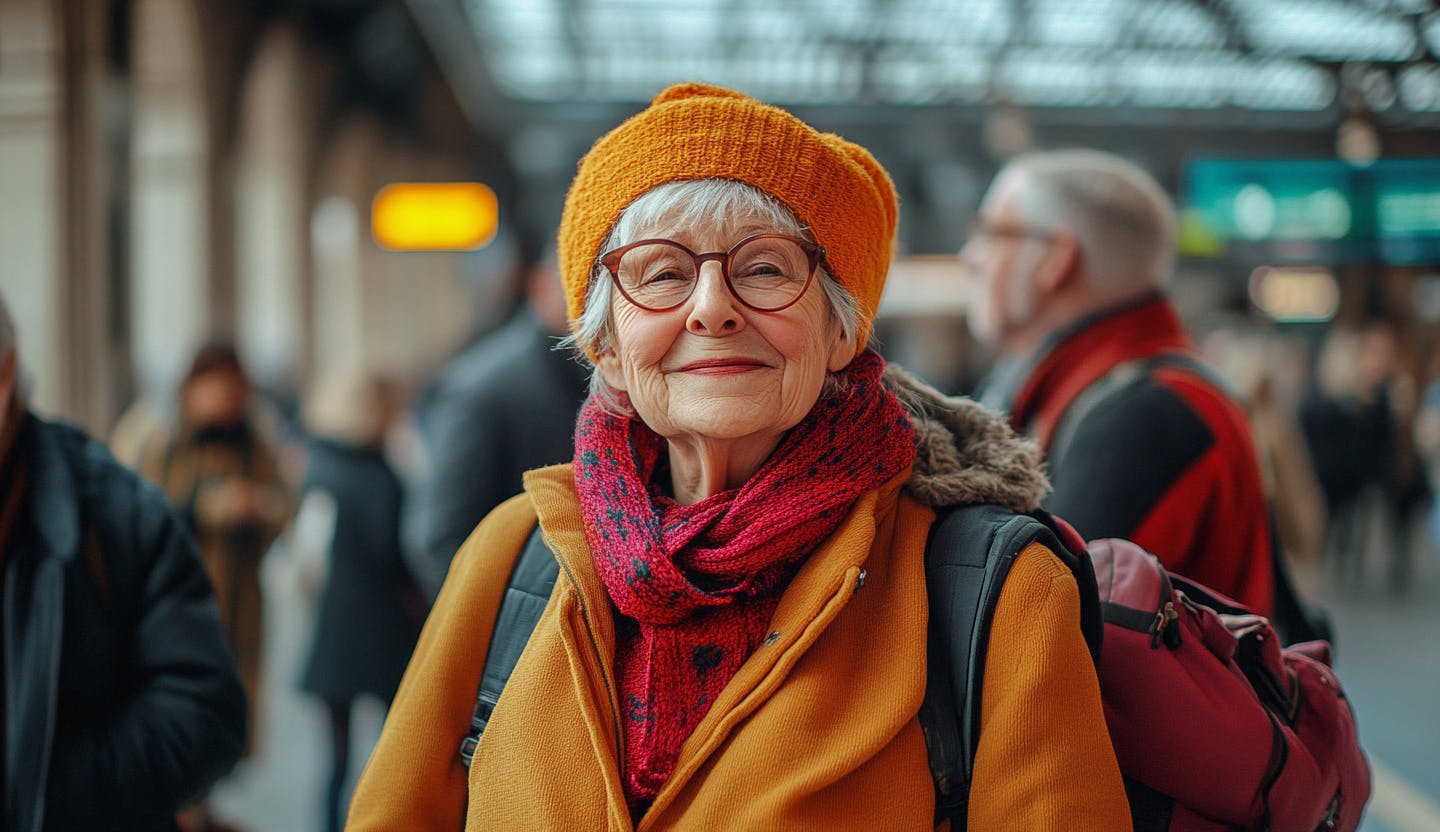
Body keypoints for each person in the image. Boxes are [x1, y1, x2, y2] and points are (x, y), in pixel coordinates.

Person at [348, 83, 1128, 830]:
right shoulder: (510, 555)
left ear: (841, 332)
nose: (713, 308)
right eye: (662, 274)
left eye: (764, 268)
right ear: (608, 346)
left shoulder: (997, 593)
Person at [965, 149, 1275, 616]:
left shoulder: (1144, 416)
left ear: (1056, 258)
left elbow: (1041, 627)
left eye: (992, 233)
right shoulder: (1131, 392)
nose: (971, 257)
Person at [0, 291, 246, 829]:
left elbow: (206, 715)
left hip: (216, 593)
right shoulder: (154, 433)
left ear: (5, 377)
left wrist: (34, 791)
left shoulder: (118, 511)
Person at [403, 241, 590, 599]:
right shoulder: (481, 388)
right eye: (581, 283)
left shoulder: (594, 372)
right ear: (541, 286)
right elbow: (441, 538)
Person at [136, 342, 293, 752]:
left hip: (239, 605)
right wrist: (204, 508)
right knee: (177, 721)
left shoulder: (254, 443)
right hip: (175, 602)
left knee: (225, 722)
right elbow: (142, 515)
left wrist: (258, 508)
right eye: (220, 390)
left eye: (237, 392)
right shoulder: (162, 441)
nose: (230, 402)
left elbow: (285, 507)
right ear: (193, 388)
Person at [294, 368, 425, 832]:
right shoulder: (383, 477)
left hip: (333, 627)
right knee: (393, 752)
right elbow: (397, 554)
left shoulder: (320, 470)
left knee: (335, 758)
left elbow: (306, 555)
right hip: (385, 629)